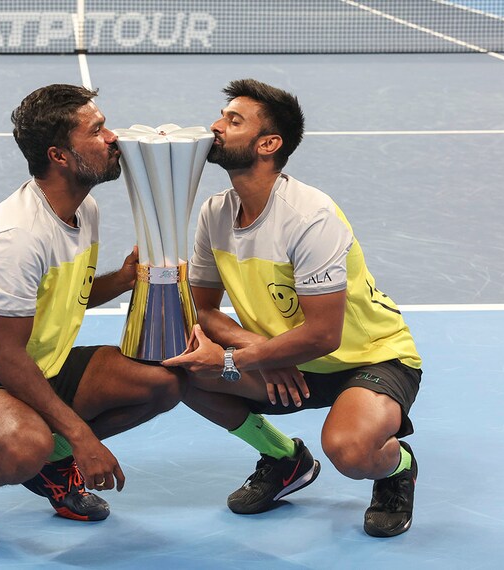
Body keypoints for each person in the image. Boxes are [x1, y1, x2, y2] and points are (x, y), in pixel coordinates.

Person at [0, 84, 184, 554]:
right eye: (98, 130)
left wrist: (124, 279)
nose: (113, 138)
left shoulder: (85, 209)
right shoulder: (18, 237)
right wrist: (81, 437)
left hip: (43, 366)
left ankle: (51, 464)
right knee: (26, 445)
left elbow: (68, 297)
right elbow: (4, 358)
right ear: (60, 156)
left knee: (161, 384)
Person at [163, 79, 422, 538]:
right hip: (284, 358)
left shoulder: (309, 217)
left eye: (233, 120)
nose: (215, 126)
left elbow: (324, 335)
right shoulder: (214, 213)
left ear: (268, 144)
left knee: (351, 450)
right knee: (181, 369)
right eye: (223, 116)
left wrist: (234, 358)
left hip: (367, 357)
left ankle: (396, 468)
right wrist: (265, 349)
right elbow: (203, 310)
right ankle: (285, 459)